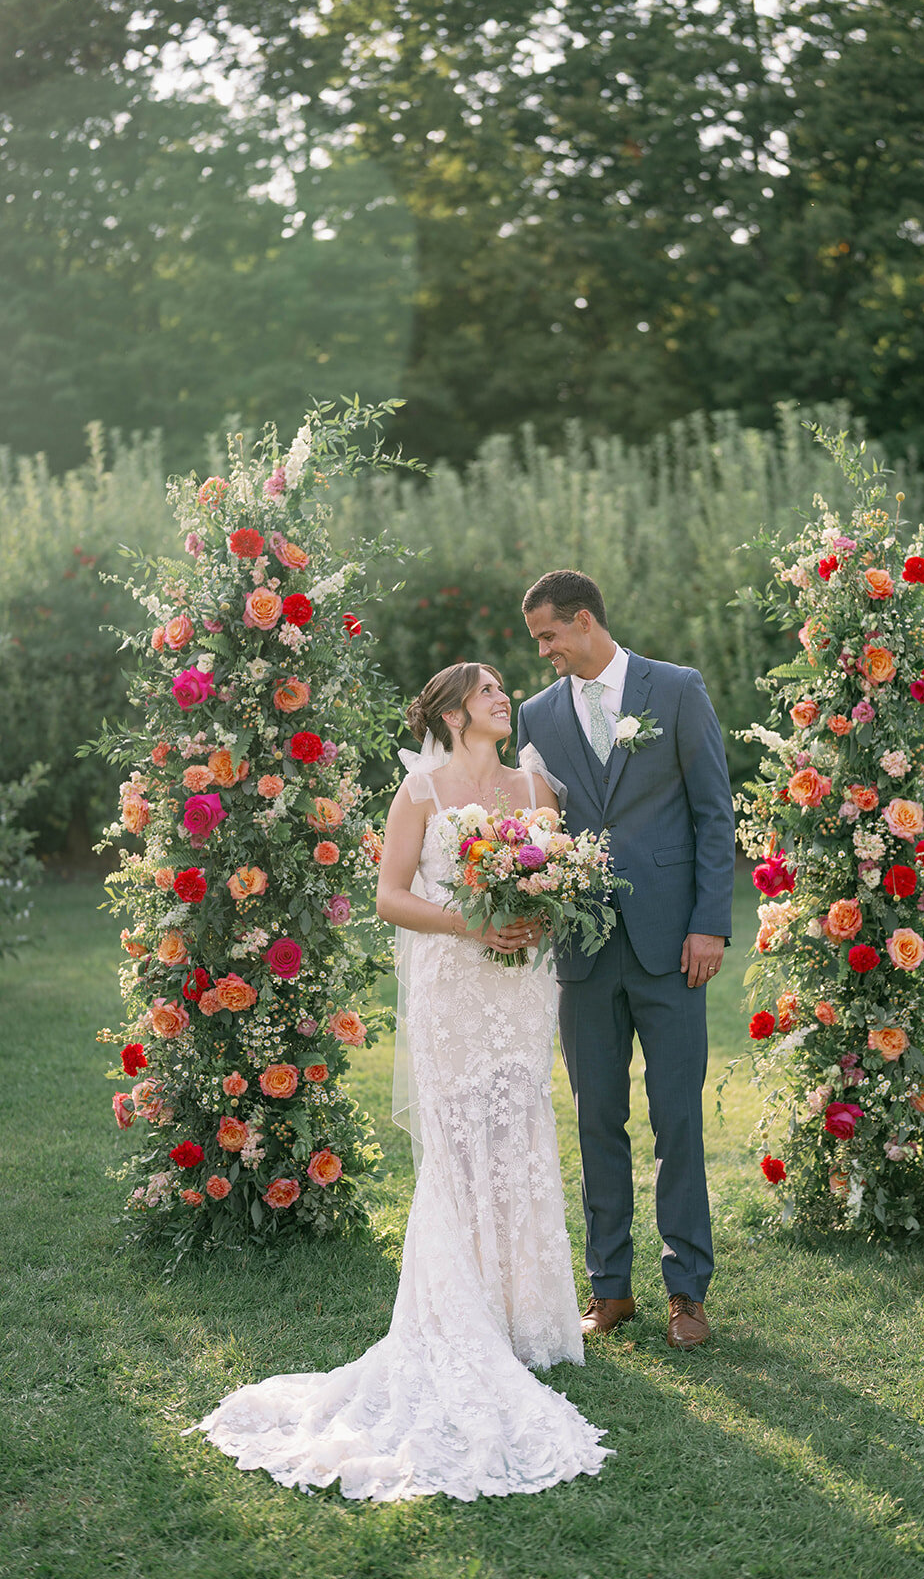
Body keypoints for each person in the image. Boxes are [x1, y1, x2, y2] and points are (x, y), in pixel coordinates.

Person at [186, 662, 609, 1501]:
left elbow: (557, 874)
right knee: (459, 1140)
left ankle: (525, 1318)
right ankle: (464, 1311)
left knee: (519, 1126)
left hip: (521, 985)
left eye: (500, 688)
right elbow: (387, 896)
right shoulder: (420, 791)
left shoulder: (536, 785)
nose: (502, 696)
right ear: (453, 712)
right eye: (486, 689)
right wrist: (468, 923)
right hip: (455, 984)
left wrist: (536, 911)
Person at [517, 571, 734, 1350]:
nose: (542, 652)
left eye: (548, 636)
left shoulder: (674, 689)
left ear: (582, 620)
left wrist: (709, 924)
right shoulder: (536, 715)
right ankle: (609, 1288)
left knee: (676, 1118)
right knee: (596, 1120)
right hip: (582, 952)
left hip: (673, 944)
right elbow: (536, 832)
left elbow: (713, 811)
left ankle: (687, 1293)